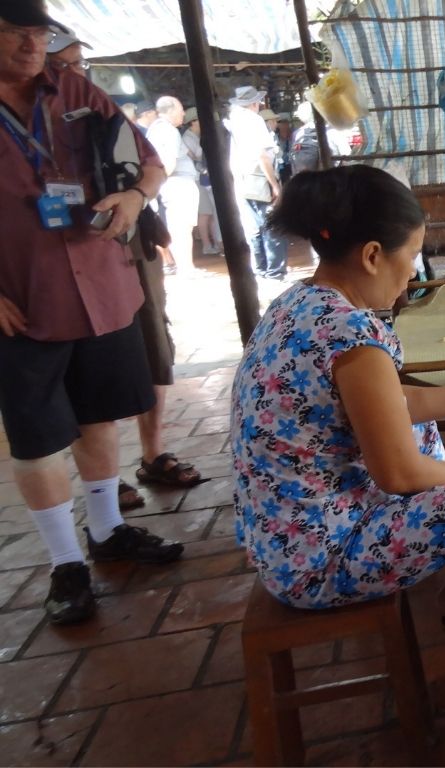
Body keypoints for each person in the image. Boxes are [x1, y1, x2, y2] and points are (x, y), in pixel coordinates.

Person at [232, 165, 445, 610]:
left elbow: (382, 404)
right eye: (412, 254)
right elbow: (399, 475)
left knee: (418, 428)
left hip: (282, 544)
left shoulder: (299, 302)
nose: (413, 273)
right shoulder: (353, 336)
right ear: (373, 255)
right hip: (319, 564)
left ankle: (441, 525)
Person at [0, 0, 183, 626]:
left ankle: (107, 531)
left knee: (100, 417)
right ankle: (65, 564)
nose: (31, 45)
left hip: (103, 289)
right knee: (37, 440)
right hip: (22, 303)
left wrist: (135, 195)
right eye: (16, 33)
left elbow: (150, 163)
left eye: (39, 32)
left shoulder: (75, 88)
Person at [42, 33, 204, 510]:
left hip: (127, 243)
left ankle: (152, 453)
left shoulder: (96, 109)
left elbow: (149, 167)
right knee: (85, 369)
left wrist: (136, 198)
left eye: (79, 63)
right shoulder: (25, 119)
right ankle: (104, 482)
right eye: (61, 65)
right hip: (65, 257)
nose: (73, 74)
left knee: (153, 343)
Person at [224, 85, 287, 280]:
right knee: (273, 224)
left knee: (253, 229)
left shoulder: (231, 122)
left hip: (240, 181)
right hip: (259, 180)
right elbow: (263, 155)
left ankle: (259, 270)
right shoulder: (254, 121)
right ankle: (275, 273)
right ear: (253, 103)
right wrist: (275, 184)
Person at [146, 95, 197, 274]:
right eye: (181, 108)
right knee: (181, 227)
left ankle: (185, 266)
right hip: (176, 183)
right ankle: (186, 268)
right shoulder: (167, 130)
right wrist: (155, 186)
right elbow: (168, 162)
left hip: (171, 183)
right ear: (171, 110)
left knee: (180, 226)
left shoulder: (157, 129)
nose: (183, 112)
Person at [180, 106, 222, 255]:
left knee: (209, 213)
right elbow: (196, 158)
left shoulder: (196, 136)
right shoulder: (187, 138)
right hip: (198, 179)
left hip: (203, 178)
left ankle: (213, 243)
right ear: (193, 122)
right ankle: (206, 245)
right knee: (205, 213)